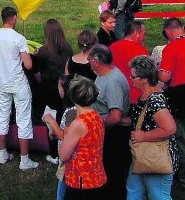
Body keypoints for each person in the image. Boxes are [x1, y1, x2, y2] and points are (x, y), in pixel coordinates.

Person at [0, 6, 38, 170]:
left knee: (2, 118)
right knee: (23, 120)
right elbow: (28, 65)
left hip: (3, 83)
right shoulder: (18, 38)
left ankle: (3, 154)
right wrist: (33, 55)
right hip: (18, 83)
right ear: (14, 18)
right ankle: (24, 160)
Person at [127, 55, 178, 199]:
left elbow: (170, 128)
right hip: (143, 156)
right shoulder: (147, 95)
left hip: (156, 158)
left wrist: (142, 136)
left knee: (158, 196)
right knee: (133, 191)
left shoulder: (155, 100)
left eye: (133, 76)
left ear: (144, 79)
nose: (130, 79)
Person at [88, 44, 131, 200]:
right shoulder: (102, 74)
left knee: (114, 172)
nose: (88, 61)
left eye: (90, 59)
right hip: (107, 131)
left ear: (97, 61)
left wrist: (96, 127)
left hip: (114, 135)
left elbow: (115, 116)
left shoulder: (112, 82)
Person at [58, 76, 107, 199]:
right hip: (98, 176)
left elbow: (63, 155)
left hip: (80, 181)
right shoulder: (96, 116)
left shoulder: (78, 124)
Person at [33, 19, 73, 165]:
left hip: (48, 91)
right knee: (63, 119)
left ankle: (54, 153)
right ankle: (62, 149)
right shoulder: (67, 47)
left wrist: (35, 55)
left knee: (51, 122)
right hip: (63, 89)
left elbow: (35, 69)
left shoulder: (44, 51)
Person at [158, 17, 185, 187]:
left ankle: (183, 176)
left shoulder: (171, 48)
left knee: (181, 136)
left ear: (168, 32)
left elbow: (165, 76)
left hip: (180, 96)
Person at [110, 21, 149, 104]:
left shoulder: (112, 47)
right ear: (136, 33)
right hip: (136, 97)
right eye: (144, 34)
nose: (145, 37)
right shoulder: (141, 50)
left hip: (115, 97)